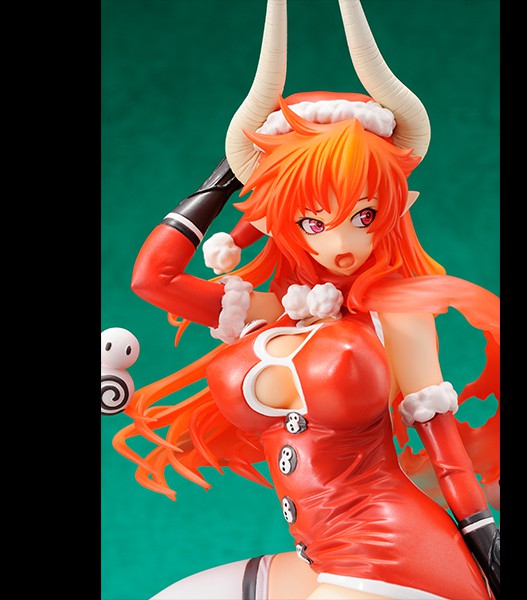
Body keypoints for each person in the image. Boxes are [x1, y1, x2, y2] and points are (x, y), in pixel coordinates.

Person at [111, 1, 500, 598]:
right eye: (315, 222)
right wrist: (228, 178)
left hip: (393, 552)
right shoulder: (276, 313)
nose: (343, 244)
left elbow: (441, 443)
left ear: (392, 210)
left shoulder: (398, 309)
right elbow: (153, 280)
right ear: (281, 220)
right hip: (321, 553)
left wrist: (485, 544)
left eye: (364, 215)